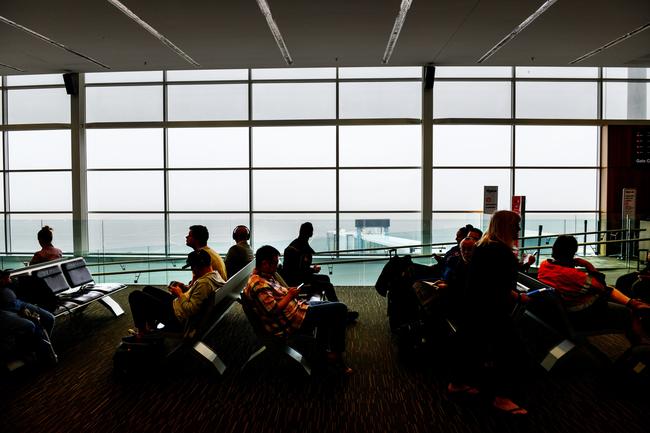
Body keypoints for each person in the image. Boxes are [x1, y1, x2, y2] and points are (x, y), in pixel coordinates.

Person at [447, 210, 529, 416]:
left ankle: (457, 384)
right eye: (516, 226)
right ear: (506, 227)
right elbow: (498, 287)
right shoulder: (500, 252)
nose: (518, 230)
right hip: (491, 310)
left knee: (470, 345)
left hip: (474, 307)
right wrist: (518, 297)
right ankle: (502, 398)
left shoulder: (484, 246)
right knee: (512, 350)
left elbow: (486, 280)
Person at [243, 245, 352, 374]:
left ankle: (323, 353)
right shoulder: (258, 284)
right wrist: (290, 295)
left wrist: (288, 291)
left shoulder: (263, 275)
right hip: (293, 320)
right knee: (340, 309)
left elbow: (274, 295)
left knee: (330, 306)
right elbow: (273, 311)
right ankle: (335, 355)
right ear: (265, 263)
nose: (276, 267)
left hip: (297, 309)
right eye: (275, 264)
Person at [537, 235, 650, 344]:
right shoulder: (574, 276)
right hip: (580, 317)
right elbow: (601, 285)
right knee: (626, 311)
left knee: (613, 291)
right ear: (572, 252)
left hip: (561, 314)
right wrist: (588, 266)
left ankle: (633, 303)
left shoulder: (544, 265)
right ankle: (639, 343)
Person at [127, 250, 225, 338]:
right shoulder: (215, 275)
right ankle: (150, 329)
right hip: (178, 306)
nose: (192, 270)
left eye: (192, 267)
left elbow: (190, 310)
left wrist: (179, 294)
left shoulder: (204, 283)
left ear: (198, 266)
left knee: (135, 296)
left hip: (177, 318)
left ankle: (142, 333)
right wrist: (185, 289)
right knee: (147, 289)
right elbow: (197, 296)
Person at [282, 222, 359, 322]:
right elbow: (299, 271)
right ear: (310, 233)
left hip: (297, 277)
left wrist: (310, 269)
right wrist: (313, 269)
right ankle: (340, 312)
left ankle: (334, 305)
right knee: (328, 285)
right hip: (298, 282)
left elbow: (298, 268)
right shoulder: (299, 248)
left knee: (325, 278)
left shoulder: (296, 244)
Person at [0, 270, 56, 365]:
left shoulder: (9, 284)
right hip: (4, 310)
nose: (9, 279)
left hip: (18, 303)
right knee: (29, 325)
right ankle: (32, 351)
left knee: (49, 318)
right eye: (6, 278)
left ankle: (40, 345)